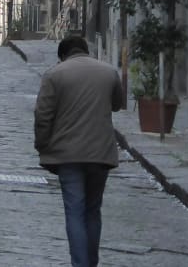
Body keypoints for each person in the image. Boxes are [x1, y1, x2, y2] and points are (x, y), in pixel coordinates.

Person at [34, 35, 126, 267]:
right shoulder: (108, 73)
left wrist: (42, 144)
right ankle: (90, 263)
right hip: (100, 154)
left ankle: (80, 264)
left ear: (62, 56)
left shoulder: (54, 75)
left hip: (68, 155)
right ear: (86, 51)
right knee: (93, 211)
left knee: (74, 212)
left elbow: (43, 116)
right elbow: (117, 104)